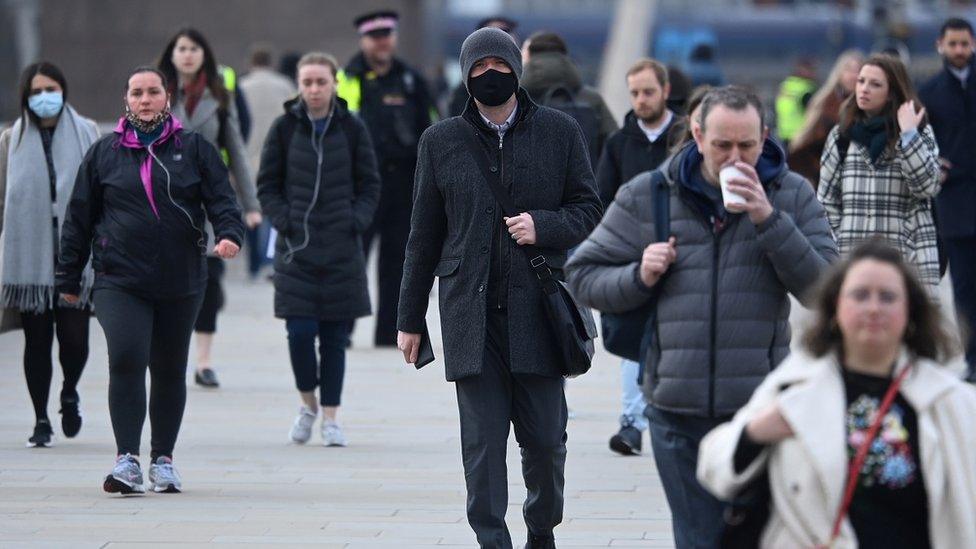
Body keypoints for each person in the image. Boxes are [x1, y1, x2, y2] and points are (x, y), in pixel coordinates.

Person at [566, 86, 837, 548]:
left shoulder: (790, 194)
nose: (736, 158)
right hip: (676, 409)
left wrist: (769, 220)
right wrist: (639, 274)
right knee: (700, 539)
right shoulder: (650, 194)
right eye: (722, 145)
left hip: (759, 409)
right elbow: (582, 275)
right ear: (696, 134)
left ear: (765, 136)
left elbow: (825, 290)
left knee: (759, 538)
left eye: (747, 145)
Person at [396, 28, 602, 548]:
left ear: (517, 68)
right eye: (478, 67)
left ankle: (541, 530)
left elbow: (588, 210)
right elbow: (423, 235)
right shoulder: (440, 141)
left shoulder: (560, 131)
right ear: (466, 77)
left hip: (540, 311)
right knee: (483, 447)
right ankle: (492, 540)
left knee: (546, 445)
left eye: (499, 64)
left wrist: (543, 226)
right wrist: (408, 318)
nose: (490, 74)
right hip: (472, 314)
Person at [697, 239, 976, 548]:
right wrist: (754, 433)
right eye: (859, 295)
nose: (873, 307)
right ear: (834, 309)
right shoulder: (796, 384)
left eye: (887, 297)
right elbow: (714, 467)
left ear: (911, 313)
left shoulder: (950, 400)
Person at [56, 67, 244, 494]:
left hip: (181, 279)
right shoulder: (105, 153)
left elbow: (222, 199)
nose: (145, 99)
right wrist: (68, 274)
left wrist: (230, 233)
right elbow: (78, 217)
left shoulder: (194, 148)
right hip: (118, 278)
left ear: (167, 96)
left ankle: (162, 460)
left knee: (168, 367)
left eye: (153, 92)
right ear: (126, 100)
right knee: (125, 355)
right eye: (137, 93)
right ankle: (126, 460)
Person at [257, 52, 380, 447]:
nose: (313, 89)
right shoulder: (283, 128)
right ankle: (307, 403)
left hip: (342, 249)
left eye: (321, 82)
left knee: (333, 339)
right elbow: (267, 184)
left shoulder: (353, 129)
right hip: (298, 250)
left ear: (333, 84)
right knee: (299, 333)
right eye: (307, 82)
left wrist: (355, 220)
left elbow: (370, 184)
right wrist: (285, 219)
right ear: (298, 84)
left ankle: (330, 417)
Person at [0, 62, 98, 448]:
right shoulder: (12, 140)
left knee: (75, 340)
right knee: (37, 341)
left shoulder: (86, 132)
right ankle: (41, 418)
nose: (44, 97)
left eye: (51, 88)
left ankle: (69, 391)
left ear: (64, 89)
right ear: (26, 96)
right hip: (29, 259)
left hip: (76, 257)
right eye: (36, 91)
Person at [158, 27, 262, 388]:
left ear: (204, 54)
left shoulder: (219, 96)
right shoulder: (157, 93)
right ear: (172, 54)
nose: (187, 55)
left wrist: (250, 205)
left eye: (194, 48)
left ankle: (203, 361)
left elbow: (235, 151)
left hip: (209, 197)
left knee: (209, 283)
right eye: (181, 48)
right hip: (164, 198)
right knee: (168, 279)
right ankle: (171, 353)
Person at [594, 57, 683, 456]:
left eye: (648, 91)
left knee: (677, 340)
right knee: (634, 340)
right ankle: (632, 422)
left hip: (682, 254)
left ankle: (670, 416)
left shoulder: (686, 138)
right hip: (633, 259)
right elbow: (601, 201)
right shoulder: (619, 143)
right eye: (634, 93)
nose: (641, 100)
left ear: (665, 91)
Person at [337, 10, 438, 347]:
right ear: (364, 40)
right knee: (353, 258)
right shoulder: (348, 77)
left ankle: (388, 334)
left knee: (398, 261)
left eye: (387, 35)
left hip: (403, 185)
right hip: (361, 184)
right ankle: (343, 330)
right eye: (374, 36)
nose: (382, 42)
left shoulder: (411, 79)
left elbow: (432, 128)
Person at [818, 54, 941, 292]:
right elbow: (825, 199)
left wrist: (908, 136)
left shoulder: (919, 132)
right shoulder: (842, 135)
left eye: (875, 84)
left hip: (907, 259)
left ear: (892, 92)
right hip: (852, 257)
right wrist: (840, 237)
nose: (864, 89)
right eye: (861, 81)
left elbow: (927, 187)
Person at [918, 17, 976, 379]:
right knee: (965, 287)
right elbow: (922, 141)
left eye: (964, 43)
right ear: (940, 45)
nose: (959, 50)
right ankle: (973, 358)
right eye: (952, 44)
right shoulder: (930, 93)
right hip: (955, 205)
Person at [520, 31, 618, 166]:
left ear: (529, 56)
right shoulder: (592, 98)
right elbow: (614, 144)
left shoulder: (515, 99)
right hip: (586, 183)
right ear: (564, 56)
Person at [240, 43, 296, 280]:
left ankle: (253, 263)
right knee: (277, 210)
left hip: (247, 155)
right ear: (270, 62)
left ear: (252, 63)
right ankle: (274, 258)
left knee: (251, 209)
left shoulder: (242, 86)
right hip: (280, 153)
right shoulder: (284, 85)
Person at [788, 50, 864, 186]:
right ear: (839, 73)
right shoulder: (826, 101)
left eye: (858, 70)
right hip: (826, 177)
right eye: (849, 70)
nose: (853, 75)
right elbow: (808, 140)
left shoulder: (869, 107)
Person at [448, 16, 519, 117]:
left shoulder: (529, 83)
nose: (503, 36)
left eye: (507, 32)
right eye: (480, 65)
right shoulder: (464, 93)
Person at [774, 57, 818, 147]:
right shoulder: (807, 89)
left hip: (783, 134)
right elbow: (815, 113)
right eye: (812, 70)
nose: (814, 73)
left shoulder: (786, 85)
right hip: (801, 135)